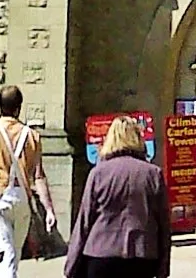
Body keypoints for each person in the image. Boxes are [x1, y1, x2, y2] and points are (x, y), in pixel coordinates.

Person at [64, 113, 171, 278]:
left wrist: (71, 265)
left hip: (101, 253)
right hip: (141, 255)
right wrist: (163, 266)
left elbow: (85, 220)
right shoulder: (153, 174)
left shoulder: (98, 173)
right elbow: (163, 223)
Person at [0, 84, 58, 278]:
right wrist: (49, 209)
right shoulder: (32, 136)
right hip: (21, 201)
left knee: (5, 259)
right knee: (11, 257)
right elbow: (39, 176)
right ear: (19, 107)